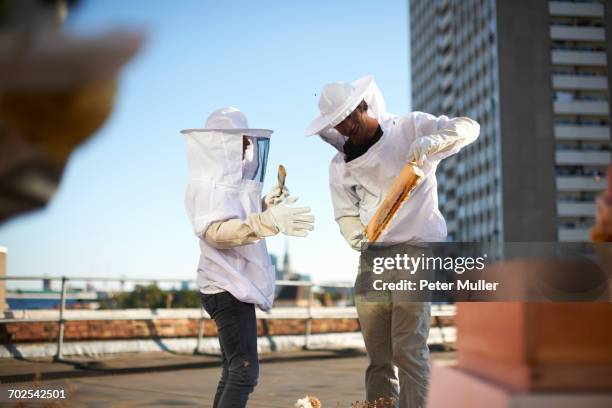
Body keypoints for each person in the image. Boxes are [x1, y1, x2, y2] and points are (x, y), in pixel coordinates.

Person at [305, 76, 480, 407]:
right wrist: (354, 234)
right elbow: (344, 213)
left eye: (347, 116)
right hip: (372, 259)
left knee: (408, 349)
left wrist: (434, 141)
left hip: (414, 252)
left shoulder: (411, 127)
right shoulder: (339, 166)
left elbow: (469, 127)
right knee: (378, 357)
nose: (344, 127)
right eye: (335, 123)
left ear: (362, 105)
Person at [182, 107, 315, 408]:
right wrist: (267, 222)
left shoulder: (231, 182)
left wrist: (269, 204)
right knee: (244, 373)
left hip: (230, 284)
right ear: (219, 145)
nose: (245, 149)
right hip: (226, 287)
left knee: (233, 371)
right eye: (239, 142)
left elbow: (242, 216)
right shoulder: (206, 186)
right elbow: (215, 231)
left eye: (246, 142)